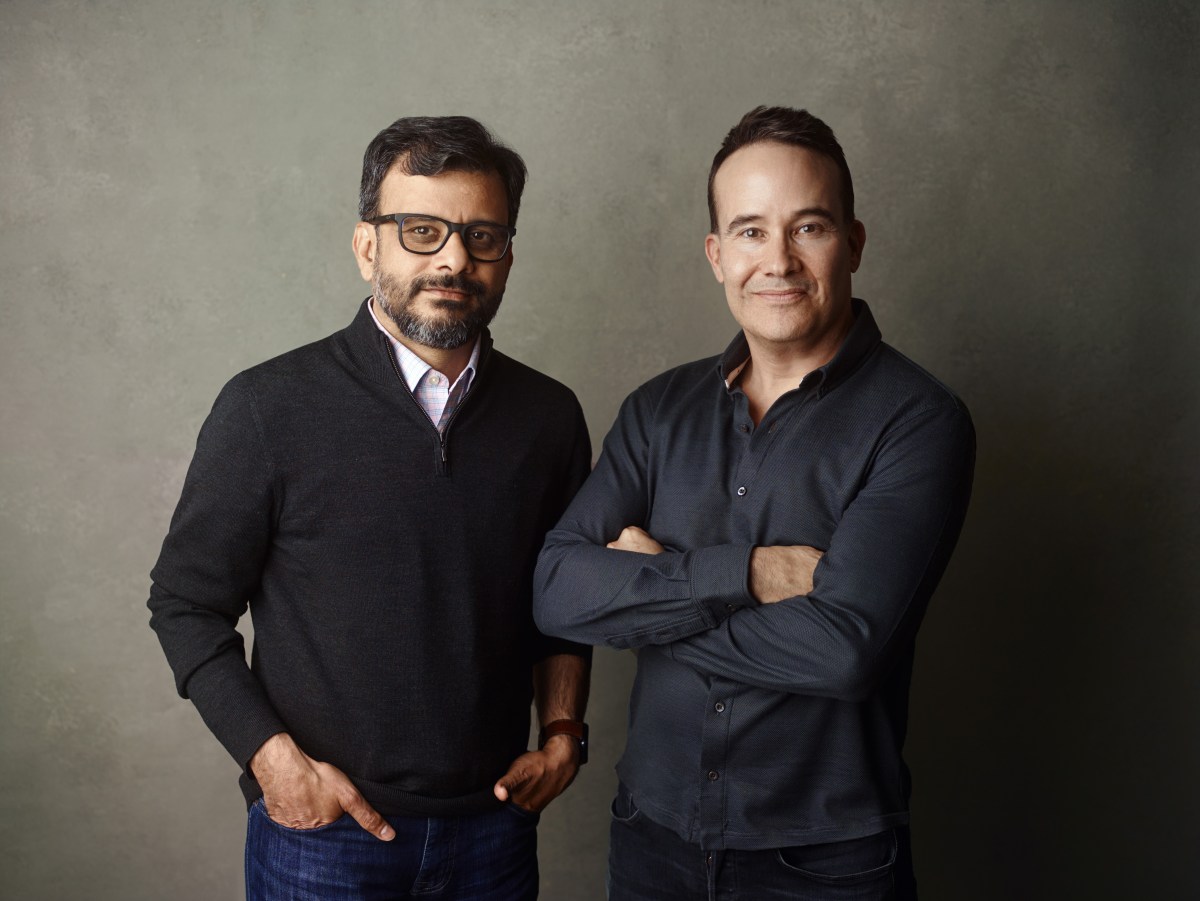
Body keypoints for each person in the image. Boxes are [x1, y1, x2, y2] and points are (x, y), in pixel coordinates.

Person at [533, 106, 975, 900]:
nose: (778, 260)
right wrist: (748, 574)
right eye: (750, 231)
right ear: (716, 254)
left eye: (808, 227)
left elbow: (842, 652)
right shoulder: (657, 410)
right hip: (651, 840)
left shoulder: (918, 421)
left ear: (854, 243)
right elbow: (557, 590)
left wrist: (648, 598)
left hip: (825, 865)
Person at [148, 115, 592, 901]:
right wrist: (271, 759)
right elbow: (185, 603)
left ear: (507, 256)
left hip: (494, 831)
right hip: (323, 836)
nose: (454, 258)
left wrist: (563, 733)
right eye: (421, 231)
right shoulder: (267, 406)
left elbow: (562, 605)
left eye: (482, 236)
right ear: (366, 247)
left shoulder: (549, 418)